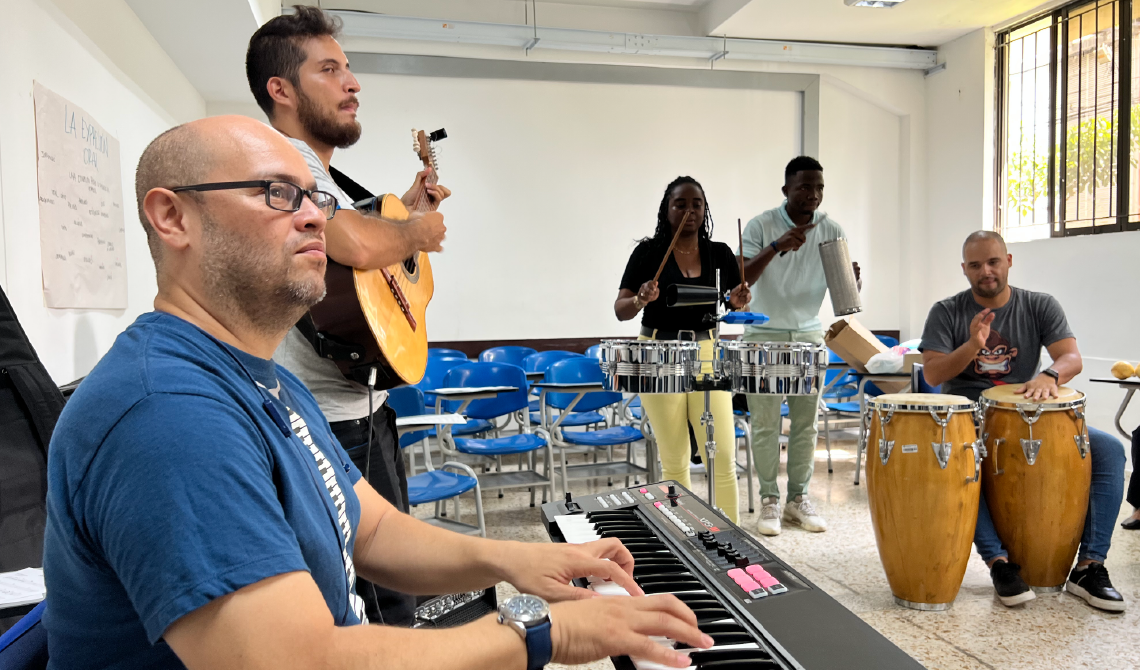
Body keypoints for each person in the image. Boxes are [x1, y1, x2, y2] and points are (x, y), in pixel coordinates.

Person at [42, 116, 710, 670]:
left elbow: (374, 528)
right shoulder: (167, 414)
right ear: (172, 217)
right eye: (278, 193)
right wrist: (544, 633)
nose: (314, 220)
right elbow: (299, 663)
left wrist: (525, 561)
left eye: (317, 198)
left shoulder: (266, 379)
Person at [246, 6, 449, 625]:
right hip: (328, 421)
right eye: (330, 70)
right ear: (281, 89)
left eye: (350, 69)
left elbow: (347, 253)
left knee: (390, 587)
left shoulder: (319, 176)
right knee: (381, 600)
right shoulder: (285, 160)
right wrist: (417, 231)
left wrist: (401, 216)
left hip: (358, 407)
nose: (352, 83)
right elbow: (357, 246)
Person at [919, 230, 1126, 612]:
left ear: (1009, 261)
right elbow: (932, 374)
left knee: (1110, 450)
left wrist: (1050, 376)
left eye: (993, 261)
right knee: (966, 457)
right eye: (976, 265)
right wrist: (971, 347)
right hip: (969, 418)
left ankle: (1089, 565)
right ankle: (1000, 564)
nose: (986, 271)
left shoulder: (1039, 305)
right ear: (964, 269)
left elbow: (1071, 358)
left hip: (1028, 416)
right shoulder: (946, 312)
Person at [615, 176, 751, 524]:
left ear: (705, 210)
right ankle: (682, 537)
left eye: (697, 204)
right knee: (674, 456)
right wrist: (640, 298)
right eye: (681, 204)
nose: (690, 211)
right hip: (659, 350)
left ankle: (731, 537)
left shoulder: (718, 252)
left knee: (721, 453)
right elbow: (621, 309)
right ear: (667, 209)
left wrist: (737, 301)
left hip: (707, 349)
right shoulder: (648, 252)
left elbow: (735, 303)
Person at [739, 156, 858, 536]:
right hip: (763, 333)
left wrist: (852, 281)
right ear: (786, 190)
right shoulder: (761, 224)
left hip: (808, 334)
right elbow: (740, 279)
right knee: (765, 424)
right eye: (805, 186)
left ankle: (798, 499)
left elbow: (845, 301)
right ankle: (769, 500)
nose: (813, 194)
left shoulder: (831, 228)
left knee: (806, 424)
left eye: (819, 187)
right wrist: (776, 246)